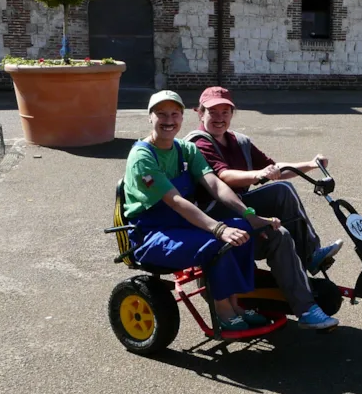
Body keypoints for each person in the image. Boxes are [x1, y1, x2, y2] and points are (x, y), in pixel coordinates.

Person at [123, 90, 338, 331]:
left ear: (182, 117)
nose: (169, 120)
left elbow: (216, 185)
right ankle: (223, 311)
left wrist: (251, 217)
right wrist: (219, 228)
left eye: (174, 114)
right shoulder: (142, 156)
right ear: (149, 117)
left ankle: (238, 304)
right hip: (154, 232)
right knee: (220, 242)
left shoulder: (185, 149)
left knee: (243, 229)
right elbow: (175, 201)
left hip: (185, 224)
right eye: (161, 114)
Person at [186, 86, 344, 276]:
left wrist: (311, 164)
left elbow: (274, 168)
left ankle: (306, 258)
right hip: (214, 211)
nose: (220, 118)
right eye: (213, 112)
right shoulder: (199, 143)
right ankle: (309, 257)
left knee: (284, 192)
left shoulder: (238, 141)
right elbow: (224, 176)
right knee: (282, 191)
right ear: (200, 114)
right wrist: (258, 174)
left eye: (225, 112)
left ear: (232, 114)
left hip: (240, 203)